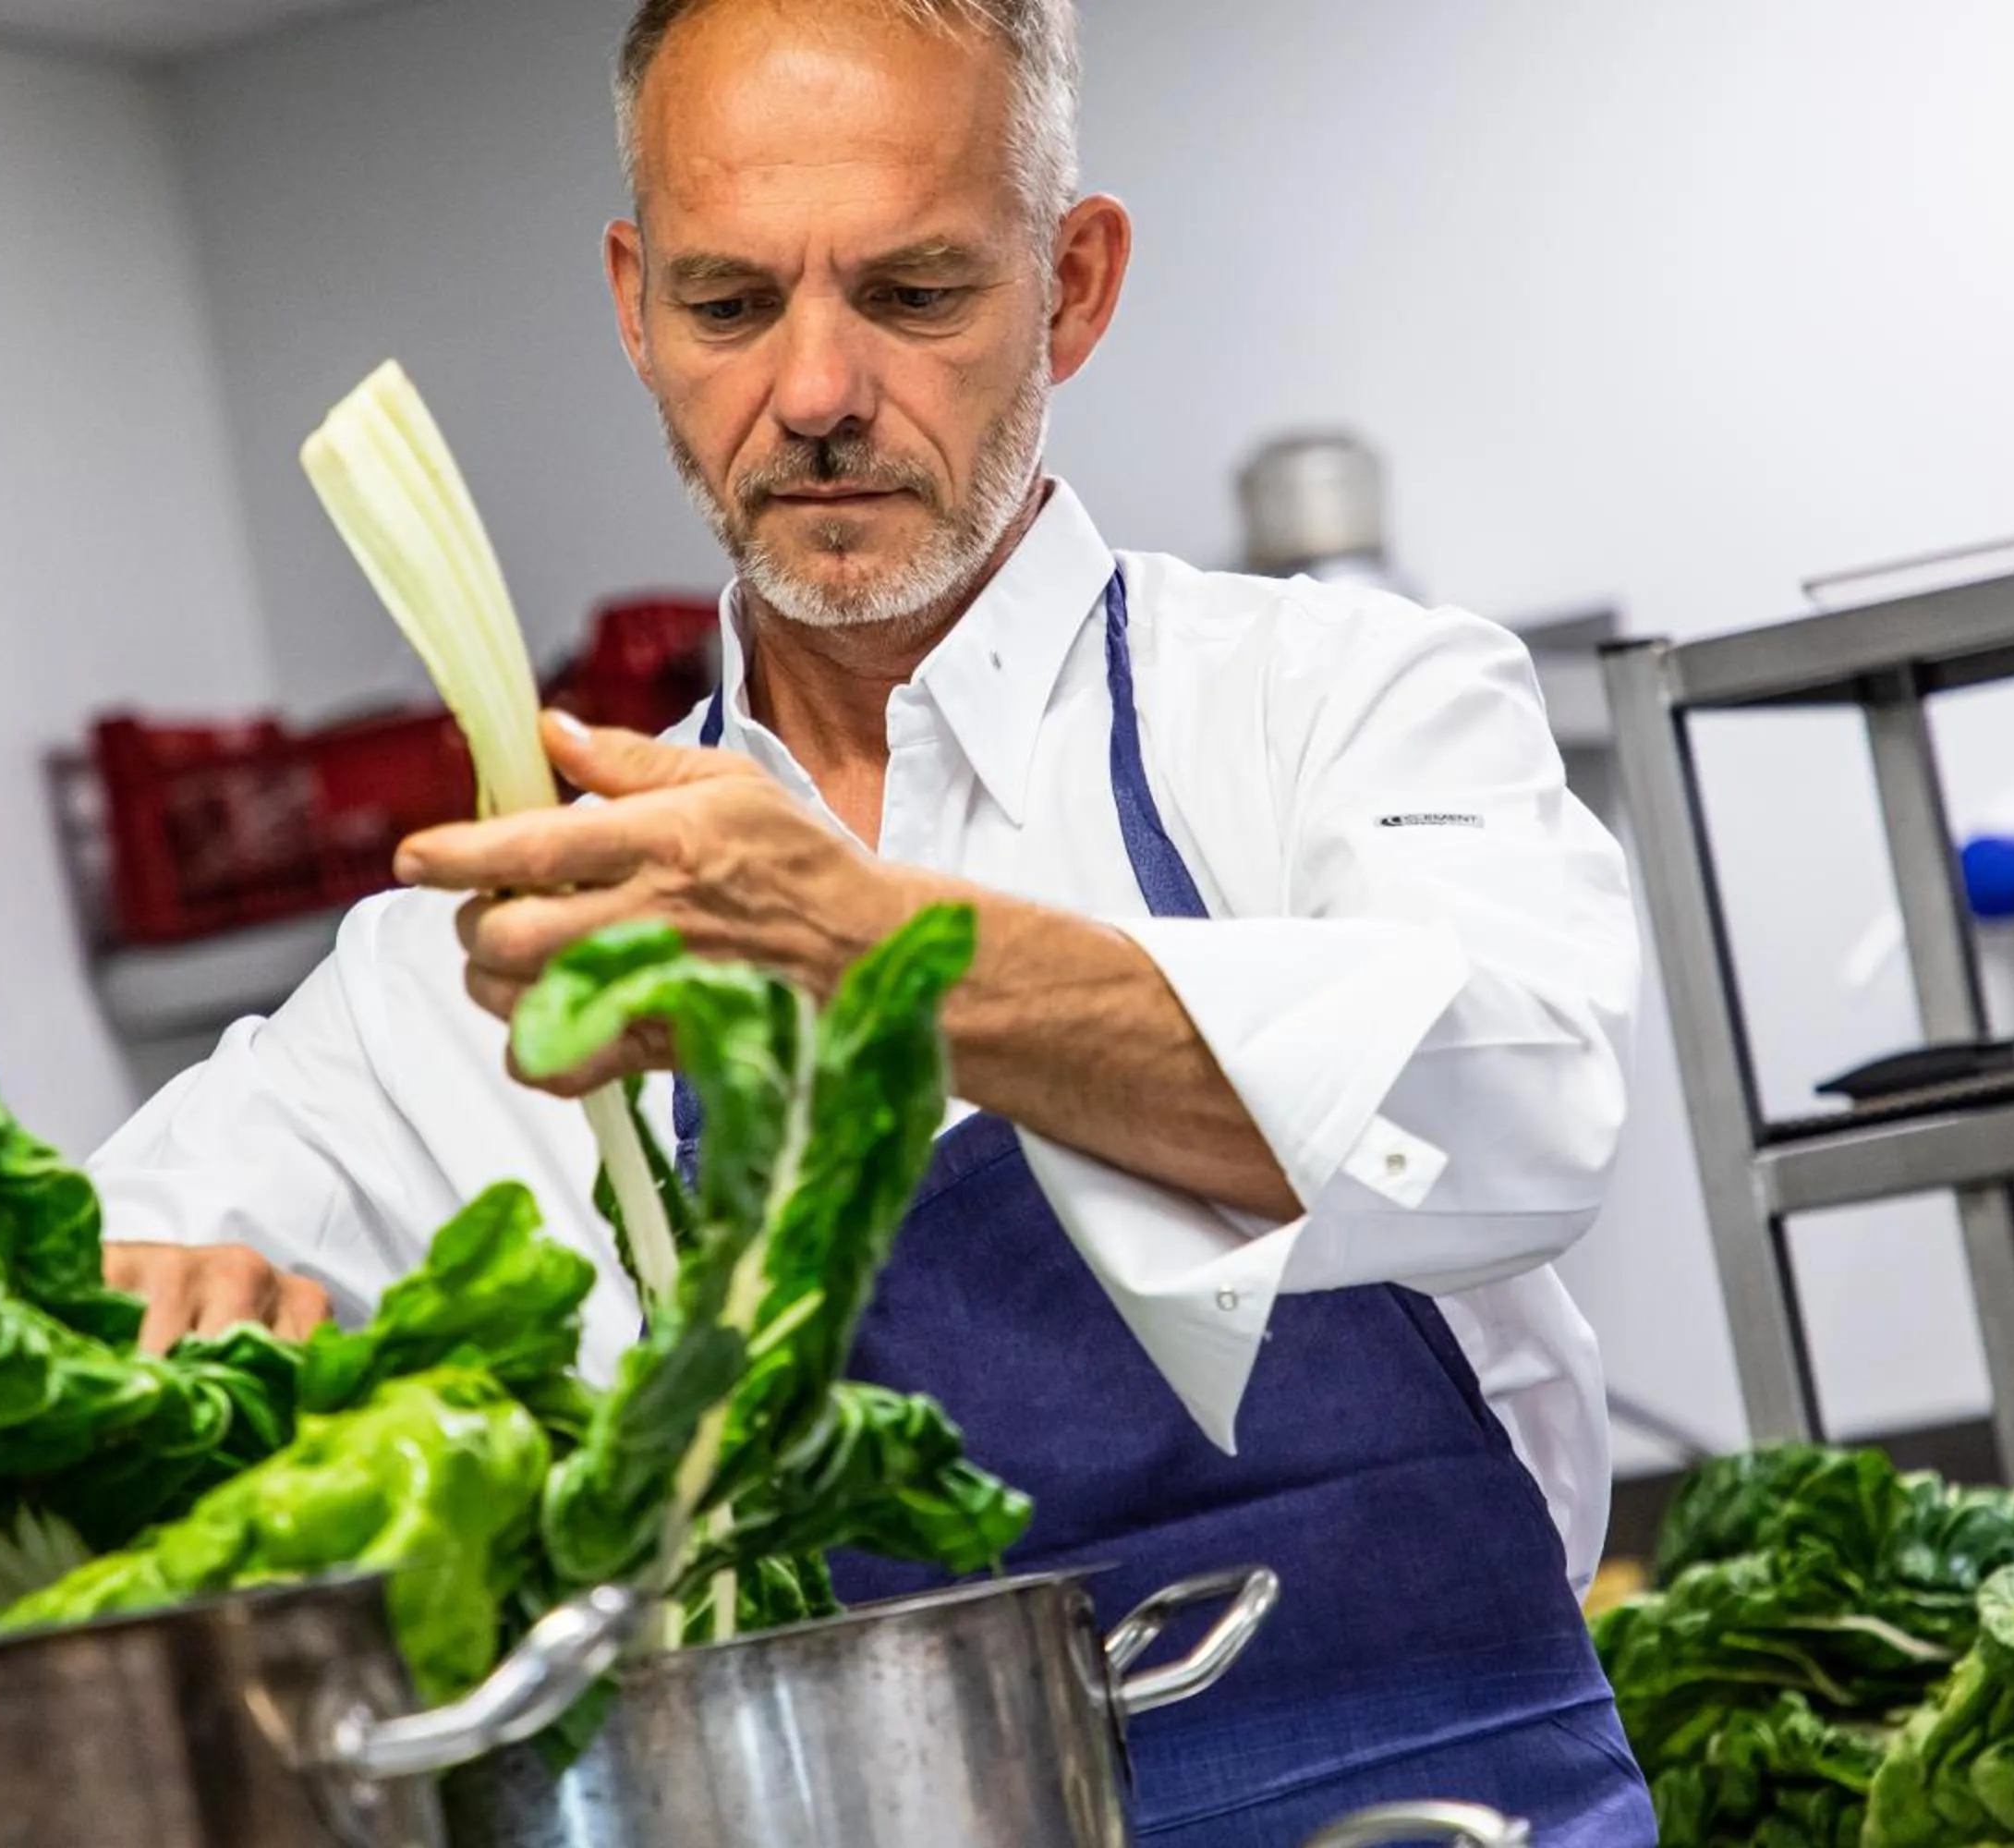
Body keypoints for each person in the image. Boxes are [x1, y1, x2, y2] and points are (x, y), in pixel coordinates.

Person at [91, 2, 1653, 1841]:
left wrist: (869, 957)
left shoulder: (1334, 704)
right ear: (634, 305)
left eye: (912, 293)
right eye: (732, 305)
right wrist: (147, 1322)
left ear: (1071, 284)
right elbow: (88, 1274)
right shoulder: (495, 939)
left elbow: (1525, 1097)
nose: (817, 390)